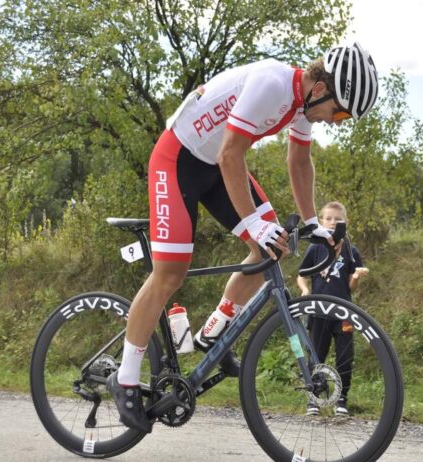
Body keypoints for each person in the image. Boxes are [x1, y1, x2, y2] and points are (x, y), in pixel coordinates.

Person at [106, 42, 380, 433]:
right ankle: (126, 377)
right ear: (320, 89)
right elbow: (231, 154)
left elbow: (299, 159)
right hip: (179, 159)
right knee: (170, 274)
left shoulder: (301, 103)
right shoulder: (273, 84)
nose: (336, 121)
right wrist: (253, 223)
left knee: (272, 248)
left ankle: (213, 334)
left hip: (217, 164)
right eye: (339, 111)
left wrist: (309, 221)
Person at [296, 201, 368, 416]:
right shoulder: (315, 248)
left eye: (337, 220)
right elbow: (301, 275)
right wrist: (304, 291)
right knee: (316, 356)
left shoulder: (350, 251)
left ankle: (342, 400)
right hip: (318, 312)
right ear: (320, 221)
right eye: (328, 218)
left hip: (343, 313)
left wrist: (355, 277)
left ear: (346, 223)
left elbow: (350, 286)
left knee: (345, 357)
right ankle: (314, 399)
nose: (332, 223)